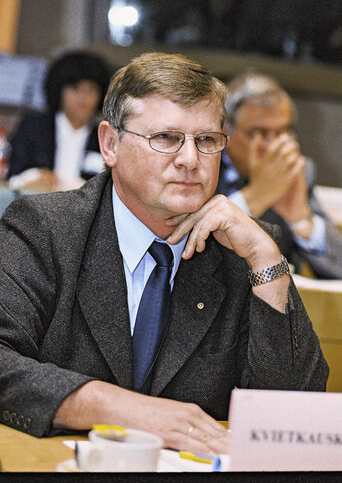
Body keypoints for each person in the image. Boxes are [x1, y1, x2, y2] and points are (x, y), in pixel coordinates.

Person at [0, 52, 328, 456]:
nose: (191, 160)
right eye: (166, 138)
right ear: (110, 144)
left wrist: (266, 261)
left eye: (206, 140)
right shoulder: (46, 229)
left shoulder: (244, 250)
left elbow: (297, 418)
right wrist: (123, 410)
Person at [216, 73, 342, 279]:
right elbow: (190, 250)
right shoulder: (201, 164)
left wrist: (301, 220)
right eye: (259, 133)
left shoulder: (294, 169)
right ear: (225, 129)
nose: (272, 146)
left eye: (282, 132)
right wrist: (256, 195)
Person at [7, 50, 111, 191]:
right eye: (75, 88)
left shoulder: (105, 138)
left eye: (91, 90)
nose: (83, 97)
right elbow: (11, 177)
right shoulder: (33, 127)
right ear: (59, 89)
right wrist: (34, 176)